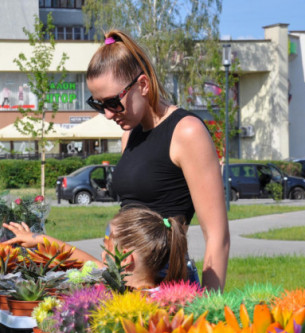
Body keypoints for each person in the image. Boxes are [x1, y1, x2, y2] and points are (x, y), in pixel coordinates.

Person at [85, 30, 229, 291]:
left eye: (113, 102)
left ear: (142, 85)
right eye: (99, 104)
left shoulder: (186, 132)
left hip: (166, 286)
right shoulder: (130, 134)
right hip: (125, 277)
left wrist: (210, 312)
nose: (107, 114)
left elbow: (217, 236)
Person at [3, 206, 197, 290]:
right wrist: (39, 239)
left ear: (126, 259)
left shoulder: (144, 306)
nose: (102, 256)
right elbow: (80, 257)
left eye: (107, 248)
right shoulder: (128, 281)